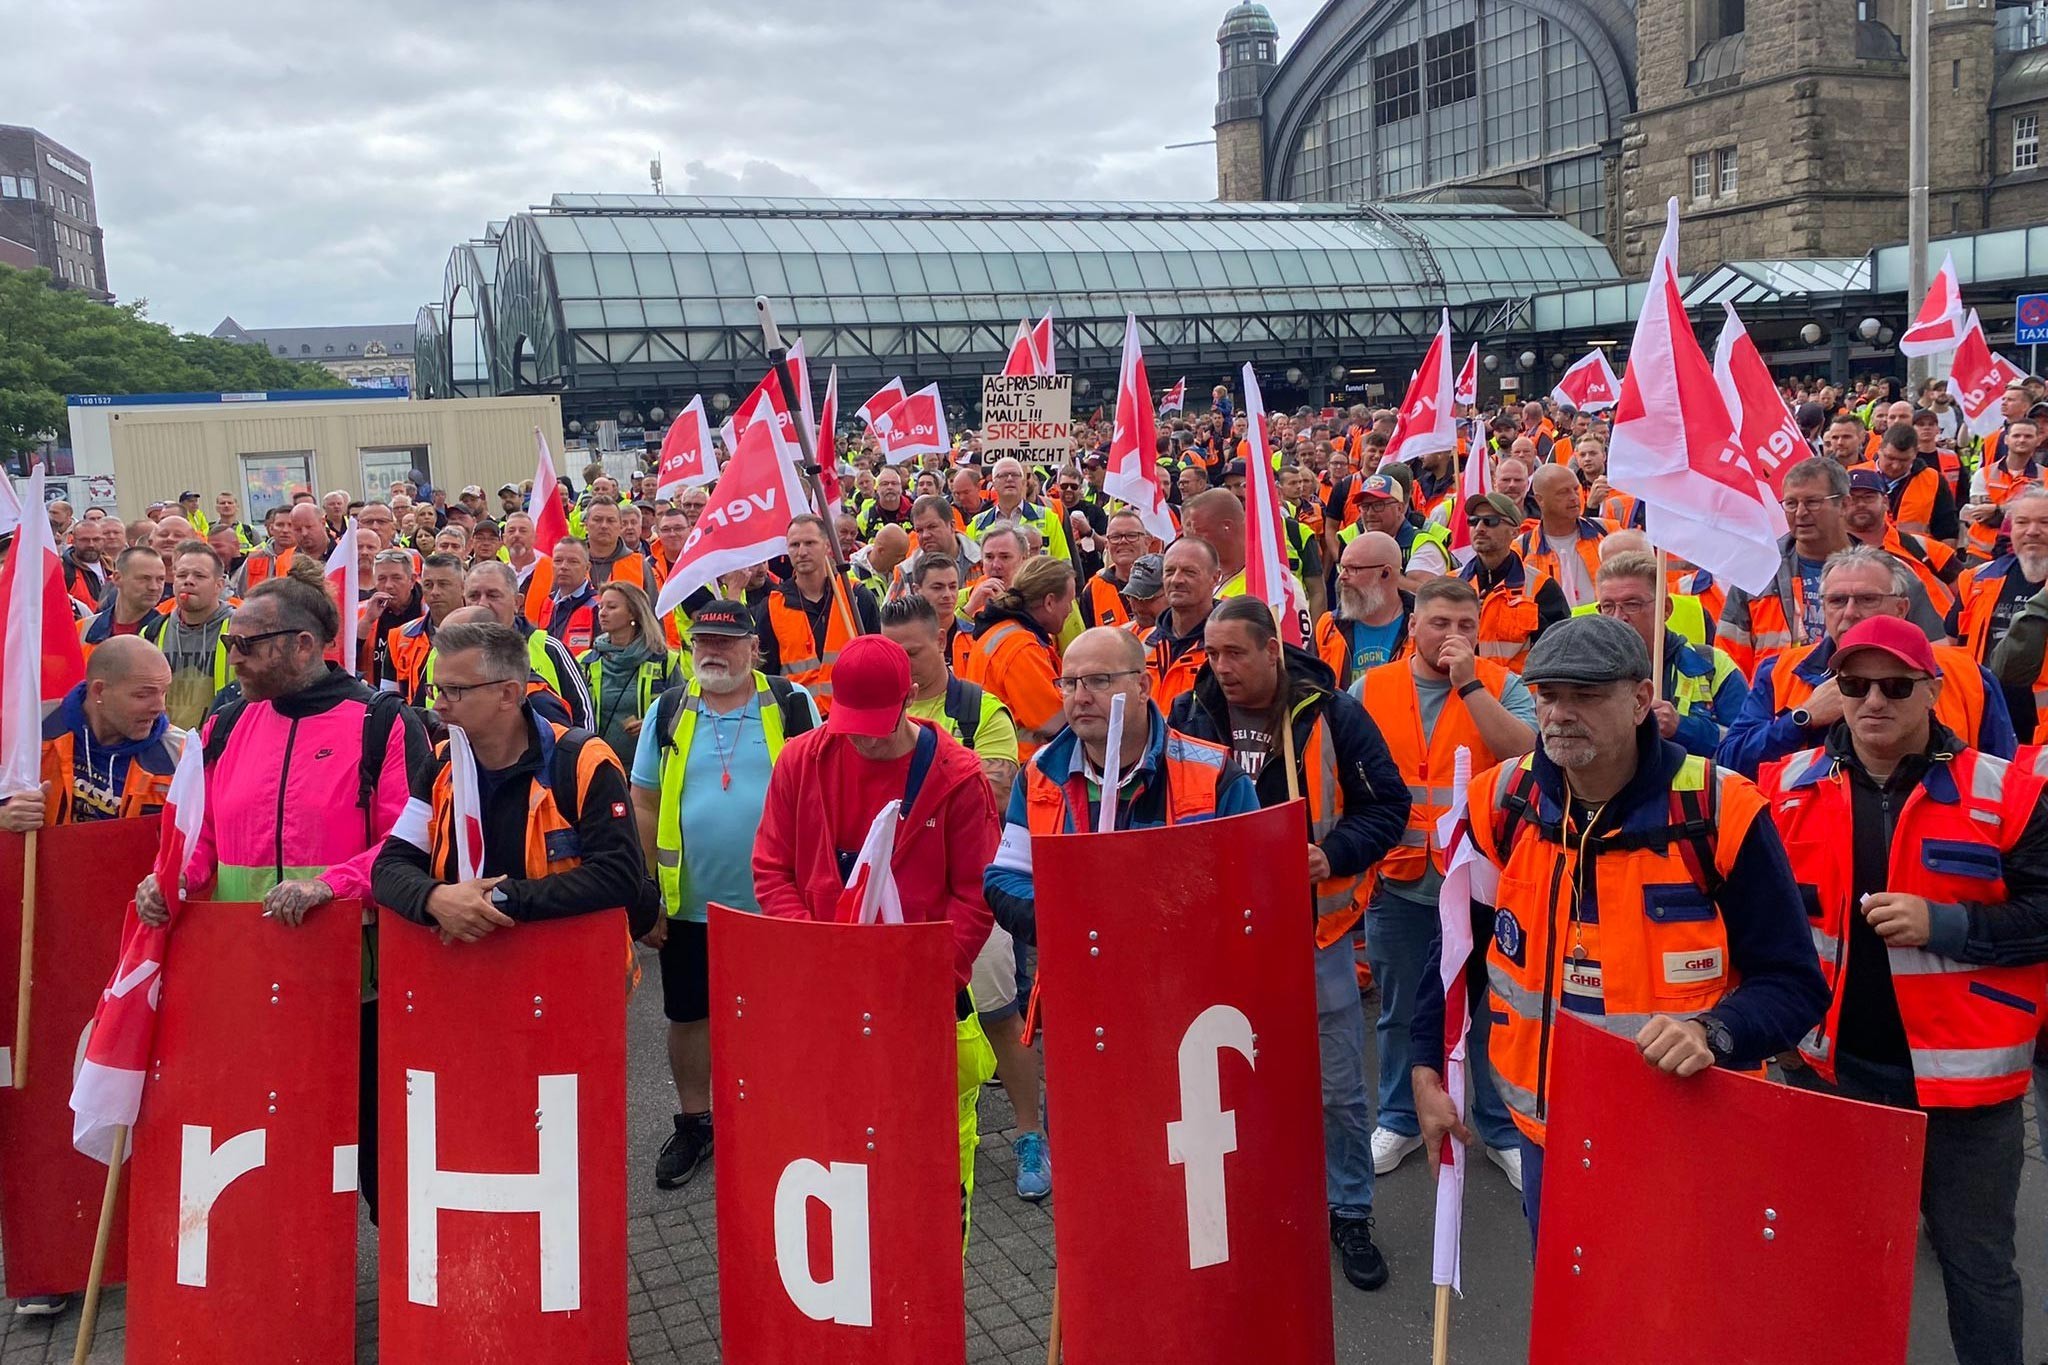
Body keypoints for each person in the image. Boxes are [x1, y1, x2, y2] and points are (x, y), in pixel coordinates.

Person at [1410, 614, 1829, 1239]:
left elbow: (1794, 983)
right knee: (1567, 1323)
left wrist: (1714, 1032)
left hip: (1685, 1130)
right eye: (1549, 694)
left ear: (1638, 701)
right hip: (1547, 1135)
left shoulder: (1719, 809)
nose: (1559, 714)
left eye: (1586, 695)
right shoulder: (1503, 802)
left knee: (1675, 1322)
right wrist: (1425, 1066)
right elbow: (1456, 948)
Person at [1760, 615, 2048, 1365]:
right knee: (1839, 1266)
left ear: (1931, 689)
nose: (1873, 701)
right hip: (1836, 1074)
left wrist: (1945, 924)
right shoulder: (1785, 787)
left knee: (1978, 1272)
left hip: (1970, 1095)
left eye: (1894, 685)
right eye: (1854, 685)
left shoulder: (2007, 790)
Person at [135, 574, 428, 1219]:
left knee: (377, 1153)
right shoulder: (224, 722)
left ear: (303, 645)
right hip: (250, 979)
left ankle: (403, 1294)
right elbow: (200, 832)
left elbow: (407, 843)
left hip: (357, 985)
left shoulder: (381, 722)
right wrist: (175, 880)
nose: (231, 655)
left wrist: (330, 887)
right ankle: (297, 1294)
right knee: (281, 1150)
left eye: (246, 643)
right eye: (231, 642)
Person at [1169, 596, 1411, 1291]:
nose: (1221, 667)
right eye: (1212, 654)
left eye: (1235, 653)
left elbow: (1388, 806)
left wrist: (1331, 854)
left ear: (1272, 650)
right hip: (1222, 938)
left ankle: (1350, 1211)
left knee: (1337, 1086)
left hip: (1315, 931)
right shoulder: (1193, 713)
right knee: (1237, 1079)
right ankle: (1263, 1202)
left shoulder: (1331, 712)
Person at [753, 635, 1001, 1243]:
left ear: (912, 698)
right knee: (834, 1153)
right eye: (848, 722)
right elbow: (771, 869)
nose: (860, 738)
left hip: (923, 1005)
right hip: (827, 1001)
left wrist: (930, 975)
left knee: (932, 1173)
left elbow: (976, 893)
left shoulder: (959, 777)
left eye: (874, 726)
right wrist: (820, 955)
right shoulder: (800, 760)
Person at [1352, 578, 1536, 1185]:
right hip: (1401, 884)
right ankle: (1402, 1119)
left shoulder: (1505, 685)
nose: (1453, 636)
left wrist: (1471, 687)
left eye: (1465, 625)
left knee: (1486, 1012)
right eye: (1439, 624)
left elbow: (1531, 757)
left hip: (1483, 888)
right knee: (1403, 1011)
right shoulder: (1369, 689)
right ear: (1413, 629)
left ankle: (1498, 1127)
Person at [633, 602, 821, 1190]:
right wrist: (646, 894)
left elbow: (824, 790)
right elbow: (642, 800)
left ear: (753, 647)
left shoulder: (791, 703)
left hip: (777, 904)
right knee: (689, 1017)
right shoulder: (667, 709)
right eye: (701, 641)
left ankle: (778, 1117)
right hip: (688, 905)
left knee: (780, 1015)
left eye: (726, 640)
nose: (712, 651)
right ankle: (695, 1122)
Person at [373, 618, 654, 947]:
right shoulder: (440, 764)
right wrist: (435, 899)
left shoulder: (582, 762)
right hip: (469, 975)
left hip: (570, 974)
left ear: (508, 694)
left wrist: (498, 900)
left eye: (455, 691)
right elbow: (389, 866)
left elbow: (619, 877)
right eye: (437, 689)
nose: (438, 705)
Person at [1719, 547, 2012, 778]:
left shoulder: (1966, 676)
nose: (1850, 613)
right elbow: (1730, 762)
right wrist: (1801, 719)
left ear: (1901, 608)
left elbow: (2003, 779)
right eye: (1836, 601)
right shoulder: (1781, 672)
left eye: (1867, 599)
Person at [1720, 458, 1947, 678]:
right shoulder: (1756, 573)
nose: (1800, 513)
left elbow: (1935, 660)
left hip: (1871, 706)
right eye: (1791, 503)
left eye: (1813, 502)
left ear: (1844, 504)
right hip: (1778, 708)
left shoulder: (1891, 574)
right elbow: (1730, 668)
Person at [0, 637, 181, 837]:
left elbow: (200, 846)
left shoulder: (179, 755)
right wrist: (5, 817)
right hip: (34, 866)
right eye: (142, 695)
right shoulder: (32, 729)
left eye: (164, 692)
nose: (159, 708)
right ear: (99, 690)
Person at [1591, 551, 1746, 758]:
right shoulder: (1587, 671)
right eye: (1608, 607)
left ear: (1665, 609)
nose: (1619, 617)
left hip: (1693, 789)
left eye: (1632, 604)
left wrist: (1682, 728)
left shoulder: (1713, 666)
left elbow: (1747, 749)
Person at [755, 513, 883, 713]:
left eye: (810, 543)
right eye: (794, 545)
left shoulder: (855, 597)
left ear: (827, 546)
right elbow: (766, 676)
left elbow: (876, 661)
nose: (802, 552)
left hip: (853, 714)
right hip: (799, 722)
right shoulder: (772, 606)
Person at [462, 561, 594, 729]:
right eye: (473, 596)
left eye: (493, 595)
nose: (482, 604)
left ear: (517, 602)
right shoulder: (443, 654)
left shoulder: (549, 648)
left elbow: (584, 718)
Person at [971, 554, 1073, 754]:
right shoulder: (1020, 646)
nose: (1070, 609)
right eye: (1069, 601)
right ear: (1050, 602)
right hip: (1020, 766)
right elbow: (1055, 722)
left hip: (999, 760)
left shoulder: (1003, 632)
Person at [1458, 492, 1568, 672]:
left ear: (1515, 532)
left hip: (1521, 696)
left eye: (1490, 521)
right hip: (1463, 691)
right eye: (1473, 521)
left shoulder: (1542, 587)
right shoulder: (1451, 585)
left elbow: (1559, 652)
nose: (1479, 528)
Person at [140, 541, 235, 729]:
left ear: (219, 585)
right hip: (166, 743)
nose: (188, 581)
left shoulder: (239, 628)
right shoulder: (153, 631)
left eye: (199, 576)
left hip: (220, 742)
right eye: (181, 575)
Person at [579, 580, 679, 758]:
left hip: (650, 763)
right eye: (601, 607)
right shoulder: (585, 662)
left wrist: (653, 724)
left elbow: (682, 710)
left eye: (612, 607)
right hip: (600, 763)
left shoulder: (664, 662)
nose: (602, 613)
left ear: (633, 613)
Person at [1316, 531, 1410, 690]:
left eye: (1353, 569)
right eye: (1342, 568)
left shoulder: (1422, 626)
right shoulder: (1328, 626)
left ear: (1385, 573)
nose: (1342, 577)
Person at [1144, 536, 1222, 714]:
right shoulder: (1142, 642)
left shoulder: (1226, 648)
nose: (1177, 580)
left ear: (1215, 577)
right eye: (1170, 571)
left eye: (1189, 572)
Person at [1515, 465, 1606, 610]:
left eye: (1576, 489)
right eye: (1563, 492)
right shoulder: (1520, 550)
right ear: (1540, 500)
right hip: (1551, 631)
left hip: (1605, 629)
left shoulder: (1607, 532)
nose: (1574, 497)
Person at [379, 553, 464, 707]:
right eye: (428, 584)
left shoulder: (481, 634)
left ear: (463, 587)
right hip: (414, 726)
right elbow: (388, 698)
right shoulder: (400, 636)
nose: (435, 592)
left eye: (443, 584)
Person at [1962, 416, 2040, 564]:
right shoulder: (1984, 474)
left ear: (2038, 440)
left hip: (2026, 555)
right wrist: (2024, 509)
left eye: (2028, 436)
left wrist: (1998, 508)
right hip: (1982, 553)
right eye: (2016, 435)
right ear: (2006, 440)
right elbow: (1981, 516)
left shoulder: (2045, 476)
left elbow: (2040, 517)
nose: (2022, 440)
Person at [81, 545, 169, 647]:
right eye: (144, 578)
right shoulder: (84, 630)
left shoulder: (169, 632)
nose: (154, 587)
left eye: (160, 579)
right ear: (117, 578)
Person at [1078, 508, 1149, 629]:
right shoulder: (1093, 589)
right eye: (1116, 537)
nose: (1123, 541)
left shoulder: (1163, 584)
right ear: (1107, 544)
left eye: (1132, 535)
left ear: (1147, 541)